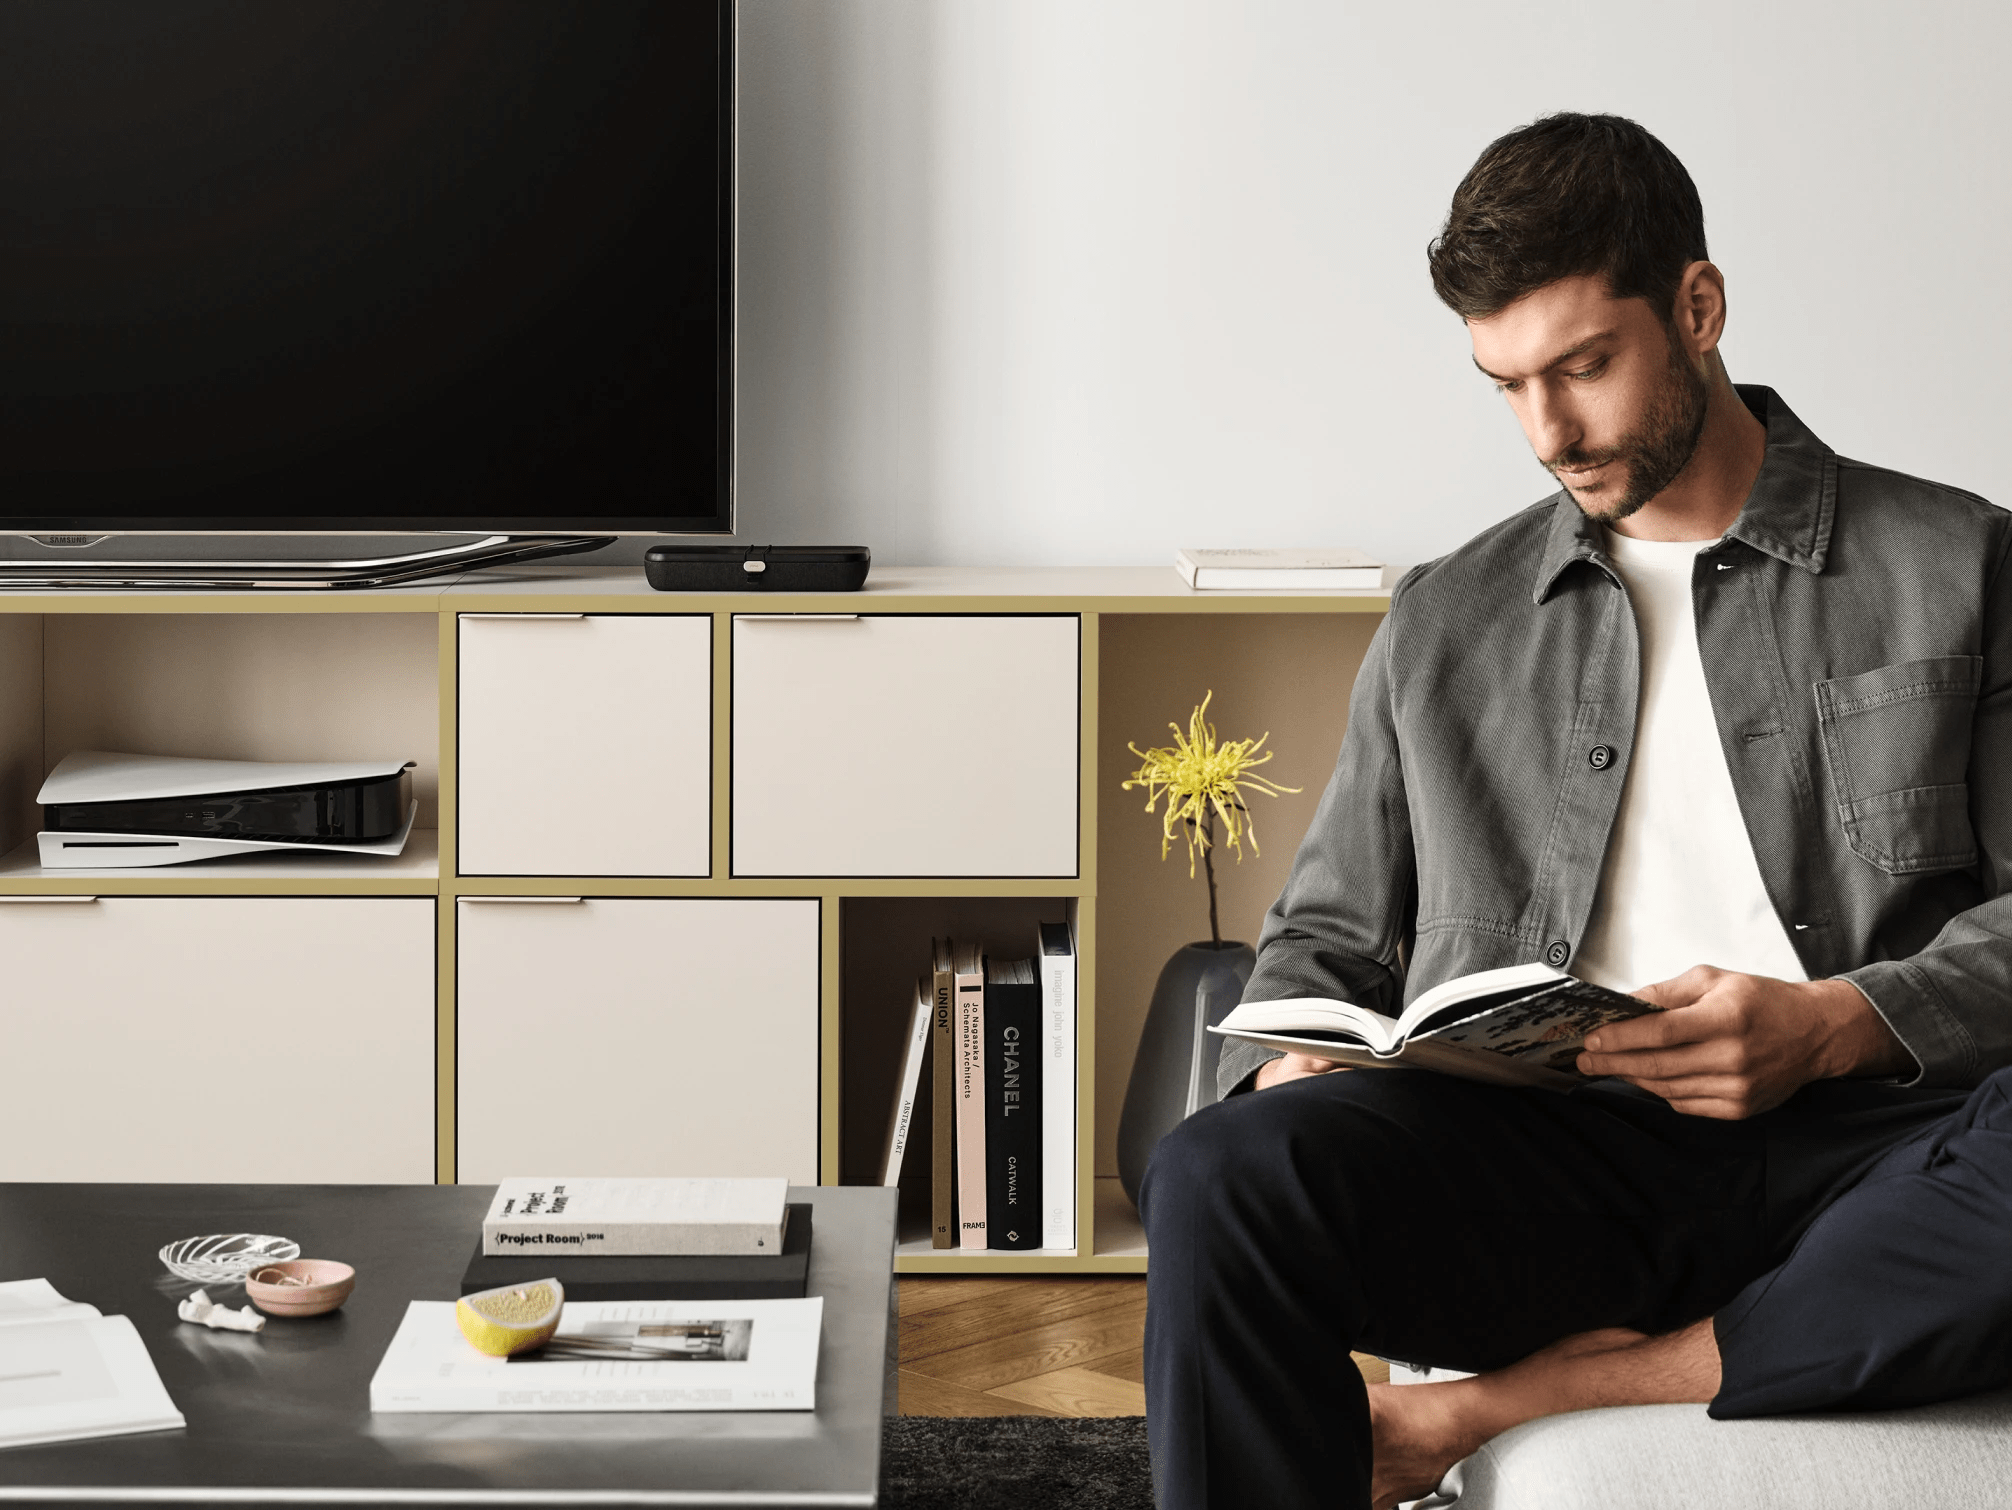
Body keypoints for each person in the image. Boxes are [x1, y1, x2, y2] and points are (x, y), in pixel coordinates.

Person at [1139, 112, 2012, 1510]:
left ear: (1699, 307)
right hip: (1558, 1170)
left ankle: (1532, 1397)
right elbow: (1322, 940)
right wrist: (1300, 1064)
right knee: (1218, 1176)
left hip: (1883, 1151)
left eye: (1585, 367)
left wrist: (1839, 1019)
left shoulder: (1958, 561)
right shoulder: (1445, 618)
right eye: (1507, 386)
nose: (1549, 431)